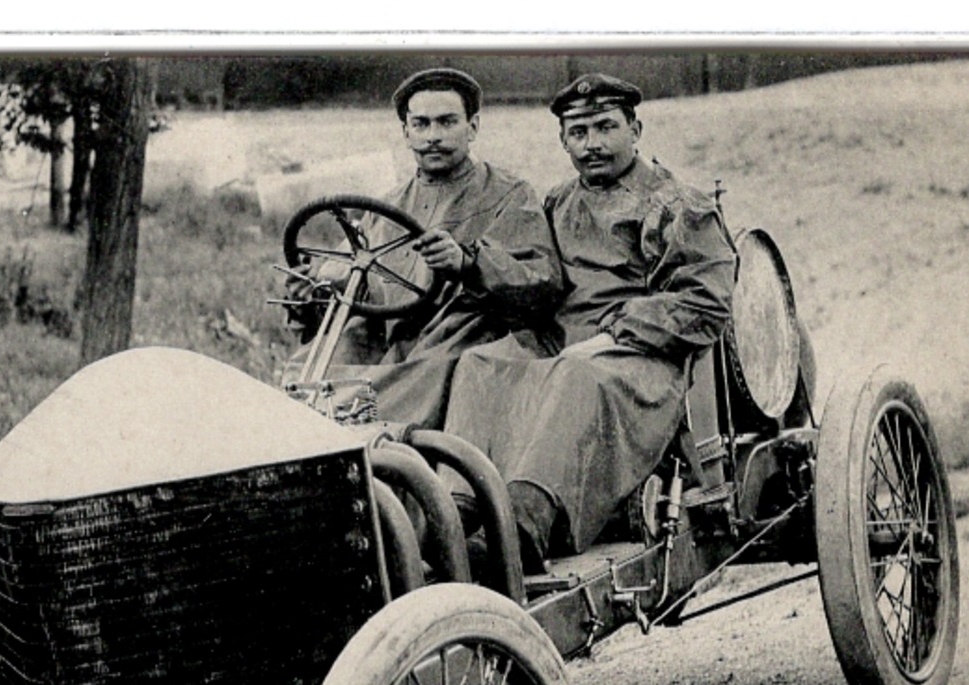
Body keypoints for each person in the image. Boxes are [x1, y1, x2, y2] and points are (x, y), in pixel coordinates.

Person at [441, 73, 738, 564]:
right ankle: (458, 507)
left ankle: (524, 522)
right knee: (478, 364)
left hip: (643, 360)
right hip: (562, 342)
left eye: (605, 128)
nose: (592, 144)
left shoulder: (678, 205)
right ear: (563, 141)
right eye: (578, 133)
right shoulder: (558, 202)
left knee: (575, 374)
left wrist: (615, 331)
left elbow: (706, 304)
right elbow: (537, 274)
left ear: (635, 130)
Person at [282, 68, 560, 429]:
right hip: (388, 338)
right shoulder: (386, 207)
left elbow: (542, 283)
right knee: (306, 369)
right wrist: (312, 294)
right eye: (422, 124)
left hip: (464, 334)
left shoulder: (509, 194)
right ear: (406, 132)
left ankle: (383, 459)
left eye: (447, 123)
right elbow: (354, 283)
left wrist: (469, 263)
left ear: (472, 127)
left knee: (398, 386)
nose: (433, 137)